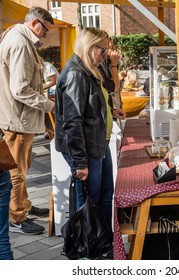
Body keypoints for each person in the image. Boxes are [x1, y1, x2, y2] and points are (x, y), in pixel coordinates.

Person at [55, 28, 125, 235]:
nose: (104, 55)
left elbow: (91, 106)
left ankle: (102, 240)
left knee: (104, 195)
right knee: (89, 199)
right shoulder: (77, 74)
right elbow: (72, 121)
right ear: (89, 46)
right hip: (87, 148)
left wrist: (111, 111)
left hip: (97, 143)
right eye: (102, 50)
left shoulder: (88, 70)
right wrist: (80, 162)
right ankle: (88, 246)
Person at [0, 7, 55, 235]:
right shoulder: (21, 43)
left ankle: (23, 206)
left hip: (18, 118)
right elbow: (21, 89)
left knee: (23, 168)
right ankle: (16, 217)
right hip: (17, 120)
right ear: (35, 24)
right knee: (18, 172)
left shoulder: (18, 37)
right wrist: (50, 105)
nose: (45, 36)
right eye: (45, 31)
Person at [99, 38, 127, 110]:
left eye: (113, 47)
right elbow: (113, 88)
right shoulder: (102, 63)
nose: (113, 51)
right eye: (110, 48)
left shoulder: (111, 62)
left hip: (115, 105)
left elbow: (118, 89)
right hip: (108, 106)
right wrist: (114, 65)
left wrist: (121, 79)